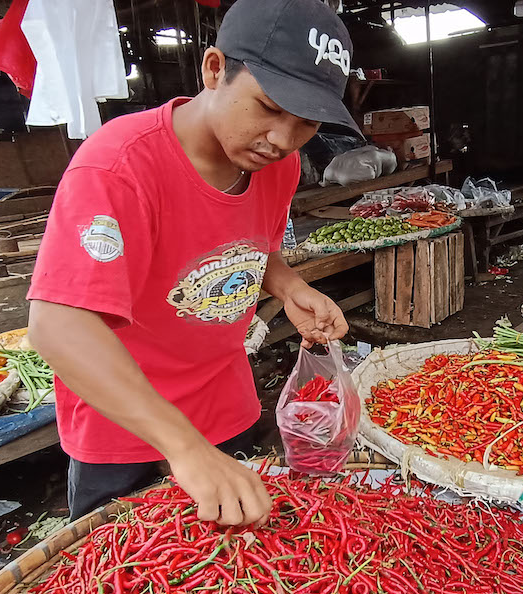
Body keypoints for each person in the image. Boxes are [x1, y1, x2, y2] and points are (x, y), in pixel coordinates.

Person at [27, 0, 358, 526]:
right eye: (268, 107)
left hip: (226, 407)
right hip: (127, 432)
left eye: (306, 124)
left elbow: (252, 244)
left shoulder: (278, 164)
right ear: (214, 69)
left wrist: (288, 285)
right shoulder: (119, 166)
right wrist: (185, 448)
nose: (282, 140)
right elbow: (58, 324)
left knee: (240, 587)